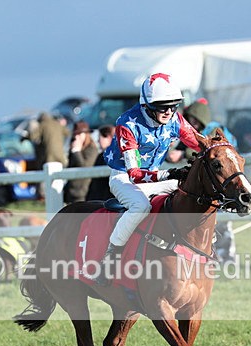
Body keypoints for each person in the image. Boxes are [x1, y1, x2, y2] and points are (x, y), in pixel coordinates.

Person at [97, 73, 202, 285]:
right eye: (162, 106)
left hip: (155, 177)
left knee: (187, 192)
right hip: (123, 177)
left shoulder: (175, 119)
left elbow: (200, 143)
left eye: (173, 106)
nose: (169, 111)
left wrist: (220, 150)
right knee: (140, 206)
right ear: (147, 106)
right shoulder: (127, 124)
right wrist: (168, 173)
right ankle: (111, 257)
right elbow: (134, 174)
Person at [167, 98, 239, 265]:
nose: (191, 123)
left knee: (221, 221)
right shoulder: (193, 131)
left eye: (193, 119)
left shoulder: (213, 130)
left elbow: (215, 151)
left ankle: (227, 257)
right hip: (204, 185)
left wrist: (182, 155)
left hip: (222, 180)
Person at [64, 120, 99, 203]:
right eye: (75, 134)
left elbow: (85, 167)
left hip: (83, 192)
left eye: (79, 134)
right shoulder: (73, 149)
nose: (77, 137)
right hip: (71, 192)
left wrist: (77, 151)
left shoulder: (92, 149)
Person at [86, 124, 115, 201]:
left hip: (103, 199)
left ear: (108, 137)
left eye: (100, 137)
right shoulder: (104, 155)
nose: (98, 141)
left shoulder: (105, 156)